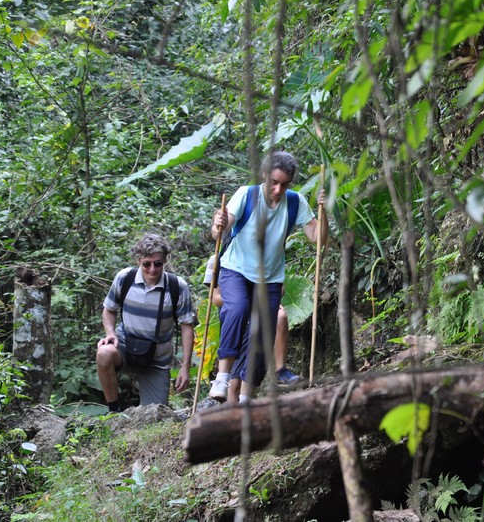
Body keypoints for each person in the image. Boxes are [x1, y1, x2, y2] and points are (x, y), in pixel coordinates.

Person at [208, 151, 328, 404]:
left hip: (270, 277)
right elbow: (222, 227)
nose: (277, 189)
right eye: (273, 182)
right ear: (264, 176)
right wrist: (218, 223)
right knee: (238, 308)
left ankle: (245, 399)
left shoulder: (295, 202)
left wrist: (324, 211)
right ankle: (222, 376)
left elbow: (318, 238)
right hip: (235, 269)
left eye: (284, 184)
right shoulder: (246, 194)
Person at [96, 234, 195, 412]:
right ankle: (114, 410)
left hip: (156, 360)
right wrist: (110, 333)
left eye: (158, 264)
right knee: (104, 353)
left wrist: (185, 366)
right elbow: (109, 310)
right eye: (146, 264)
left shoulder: (177, 286)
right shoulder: (124, 278)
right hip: (125, 347)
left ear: (165, 261)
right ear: (139, 260)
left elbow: (187, 326)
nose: (152, 269)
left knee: (155, 415)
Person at [202, 254, 302, 402]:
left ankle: (279, 370)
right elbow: (216, 299)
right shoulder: (218, 258)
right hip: (235, 322)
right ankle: (230, 419)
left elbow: (279, 290)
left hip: (258, 317)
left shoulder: (262, 254)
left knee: (249, 374)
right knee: (234, 382)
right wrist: (243, 297)